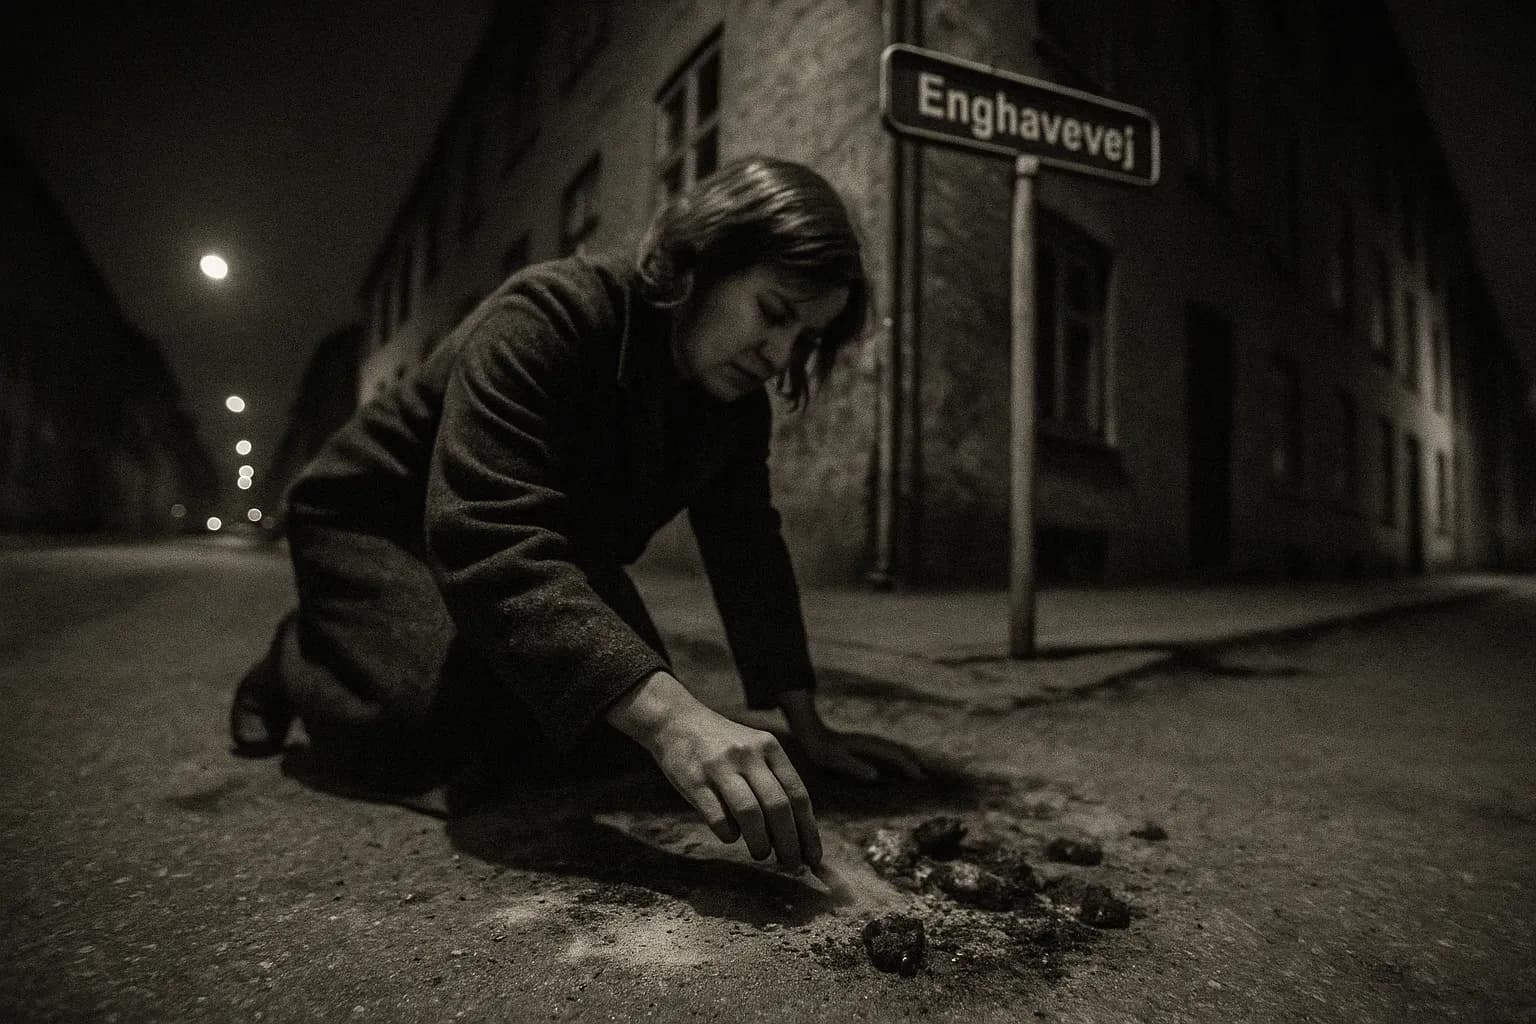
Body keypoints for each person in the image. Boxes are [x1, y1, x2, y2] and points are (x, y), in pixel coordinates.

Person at [229, 155, 924, 874]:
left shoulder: (734, 408)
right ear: (702, 262)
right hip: (381, 522)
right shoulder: (554, 312)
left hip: (545, 542)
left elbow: (749, 552)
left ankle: (411, 657)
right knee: (429, 731)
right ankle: (301, 654)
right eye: (774, 312)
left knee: (599, 731)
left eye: (805, 339)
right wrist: (674, 719)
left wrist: (806, 726)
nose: (780, 355)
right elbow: (485, 529)